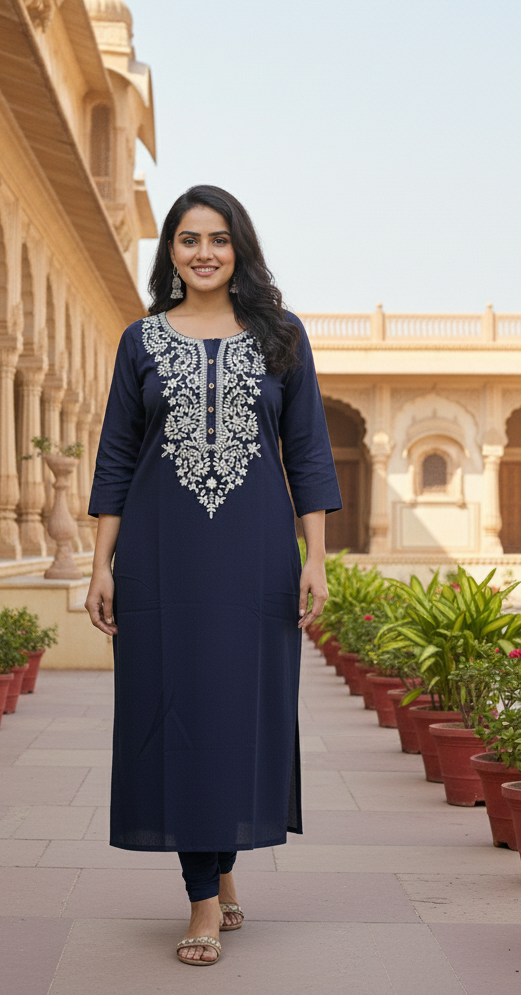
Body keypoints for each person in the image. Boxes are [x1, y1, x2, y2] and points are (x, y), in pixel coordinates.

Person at [85, 185, 341, 966]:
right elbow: (118, 457)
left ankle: (221, 871)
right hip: (161, 558)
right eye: (189, 239)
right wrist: (101, 562)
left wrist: (317, 559)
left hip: (255, 555)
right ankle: (203, 899)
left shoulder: (280, 336)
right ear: (169, 251)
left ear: (241, 249)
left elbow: (307, 452)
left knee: (238, 712)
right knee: (174, 710)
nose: (204, 252)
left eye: (219, 239)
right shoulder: (141, 341)